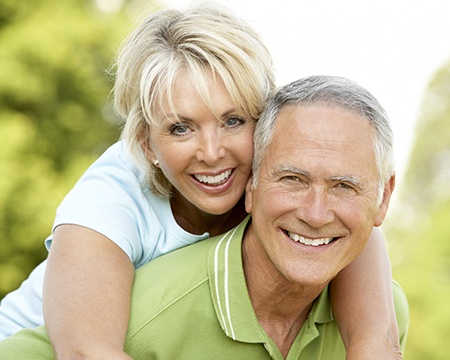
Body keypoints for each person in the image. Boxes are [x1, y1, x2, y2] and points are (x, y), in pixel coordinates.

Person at [0, 4, 400, 359]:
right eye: (180, 128)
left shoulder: (277, 177)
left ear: (265, 124)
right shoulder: (108, 200)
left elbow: (342, 221)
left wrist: (371, 340)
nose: (211, 152)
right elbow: (85, 351)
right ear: (147, 143)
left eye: (233, 120)